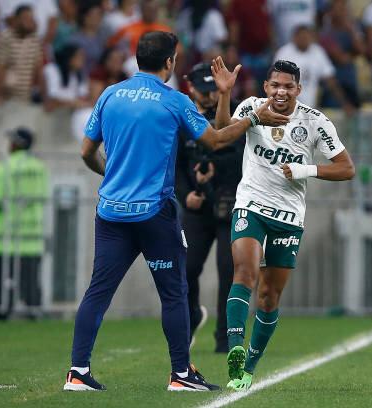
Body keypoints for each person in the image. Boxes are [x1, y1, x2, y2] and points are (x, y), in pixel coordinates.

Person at [63, 31, 289, 392]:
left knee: (98, 291)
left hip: (110, 213)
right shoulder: (174, 101)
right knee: (174, 293)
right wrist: (253, 120)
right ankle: (181, 374)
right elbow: (215, 139)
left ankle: (77, 372)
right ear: (169, 62)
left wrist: (111, 173)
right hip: (154, 213)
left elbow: (87, 151)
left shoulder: (109, 95)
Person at [212, 58, 355, 390]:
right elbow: (221, 133)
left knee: (269, 295)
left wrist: (306, 170)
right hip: (251, 204)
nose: (280, 91)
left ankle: (248, 365)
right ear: (266, 87)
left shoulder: (316, 122)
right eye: (275, 85)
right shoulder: (251, 107)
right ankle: (234, 347)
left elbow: (346, 168)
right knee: (245, 271)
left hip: (289, 217)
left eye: (288, 86)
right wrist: (224, 95)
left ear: (299, 90)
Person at [176, 62, 243, 353]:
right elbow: (175, 166)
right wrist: (186, 194)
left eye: (213, 90)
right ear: (190, 87)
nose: (208, 96)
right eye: (203, 91)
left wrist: (215, 170)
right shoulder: (182, 116)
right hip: (197, 207)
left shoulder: (238, 113)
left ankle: (225, 339)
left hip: (231, 205)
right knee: (187, 268)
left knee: (229, 270)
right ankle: (192, 317)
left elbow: (245, 156)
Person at [0, 127, 49, 321]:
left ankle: (3, 313)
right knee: (30, 283)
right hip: (33, 237)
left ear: (16, 144)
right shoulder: (40, 167)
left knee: (1, 281)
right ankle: (34, 316)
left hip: (6, 236)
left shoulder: (5, 166)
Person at [274, 24, 356, 114]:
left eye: (306, 37)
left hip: (310, 108)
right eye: (301, 37)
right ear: (294, 38)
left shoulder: (317, 52)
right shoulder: (284, 53)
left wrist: (344, 103)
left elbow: (330, 81)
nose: (304, 40)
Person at [0, 4, 43, 103]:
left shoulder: (34, 40)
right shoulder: (5, 38)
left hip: (25, 98)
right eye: (26, 18)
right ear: (17, 20)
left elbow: (39, 70)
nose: (29, 22)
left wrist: (44, 95)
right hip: (5, 98)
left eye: (31, 18)